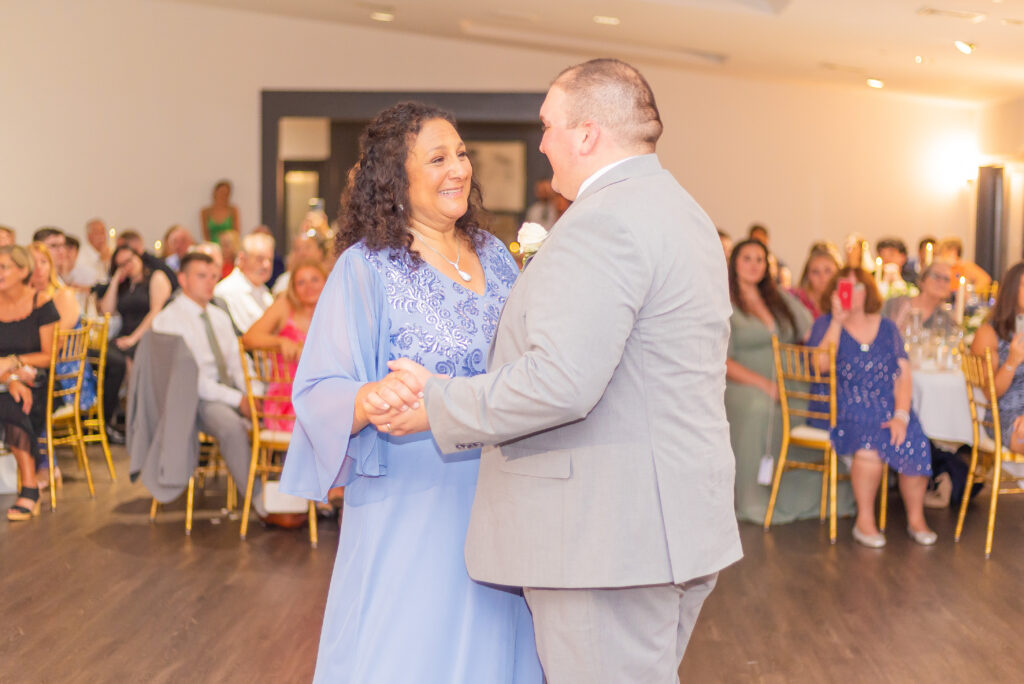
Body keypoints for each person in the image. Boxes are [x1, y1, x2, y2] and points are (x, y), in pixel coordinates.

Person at [362, 60, 743, 682]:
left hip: (606, 539)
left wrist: (440, 400)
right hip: (667, 524)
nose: (541, 143)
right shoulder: (680, 209)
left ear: (587, 134)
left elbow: (561, 382)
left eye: (547, 125)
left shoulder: (604, 222)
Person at [279, 102, 542, 683]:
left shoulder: (498, 258)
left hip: (499, 485)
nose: (459, 169)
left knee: (495, 642)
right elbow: (320, 386)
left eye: (463, 154)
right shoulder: (365, 268)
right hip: (413, 491)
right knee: (409, 644)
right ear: (396, 177)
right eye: (439, 158)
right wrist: (366, 399)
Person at [807, 267, 935, 548]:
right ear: (834, 294)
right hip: (845, 404)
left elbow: (903, 375)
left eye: (857, 287)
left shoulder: (887, 327)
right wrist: (838, 323)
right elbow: (819, 367)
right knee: (869, 445)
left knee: (915, 442)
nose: (851, 294)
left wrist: (901, 415)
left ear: (868, 292)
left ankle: (916, 519)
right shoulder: (825, 324)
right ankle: (864, 521)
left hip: (888, 405)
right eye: (844, 288)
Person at [151, 252, 280, 522]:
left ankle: (292, 496)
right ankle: (258, 500)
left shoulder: (218, 316)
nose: (210, 283)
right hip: (188, 400)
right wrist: (238, 400)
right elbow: (191, 381)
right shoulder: (168, 320)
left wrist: (254, 394)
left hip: (224, 393)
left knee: (279, 411)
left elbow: (238, 363)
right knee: (232, 427)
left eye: (213, 277)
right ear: (182, 279)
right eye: (201, 276)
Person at [725, 238, 845, 524]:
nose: (754, 265)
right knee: (759, 409)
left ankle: (808, 494)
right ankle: (753, 500)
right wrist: (764, 385)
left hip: (792, 385)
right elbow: (722, 360)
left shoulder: (781, 298)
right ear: (734, 264)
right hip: (745, 386)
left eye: (760, 259)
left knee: (808, 414)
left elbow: (810, 338)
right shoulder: (724, 302)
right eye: (747, 258)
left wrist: (840, 323)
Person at [28, 242, 98, 486]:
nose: (37, 269)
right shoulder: (23, 299)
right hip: (40, 372)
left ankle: (46, 466)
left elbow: (53, 346)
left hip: (67, 381)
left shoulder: (63, 296)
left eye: (43, 262)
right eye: (32, 263)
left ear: (51, 266)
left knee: (31, 396)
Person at [0, 245, 59, 521]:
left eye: (3, 267)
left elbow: (48, 356)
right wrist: (10, 377)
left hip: (35, 381)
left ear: (23, 270)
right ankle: (29, 486)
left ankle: (29, 487)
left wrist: (13, 363)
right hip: (7, 382)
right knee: (10, 398)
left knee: (13, 401)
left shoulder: (41, 303)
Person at [97, 245, 173, 443]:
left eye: (129, 261)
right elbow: (106, 310)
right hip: (124, 337)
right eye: (121, 265)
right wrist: (115, 279)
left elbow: (156, 312)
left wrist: (134, 338)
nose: (127, 266)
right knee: (111, 361)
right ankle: (112, 420)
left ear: (139, 257)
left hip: (148, 336)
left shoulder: (156, 278)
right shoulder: (125, 285)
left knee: (130, 366)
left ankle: (138, 425)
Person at [241, 260, 327, 431]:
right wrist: (280, 342)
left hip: (324, 397)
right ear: (293, 288)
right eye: (301, 282)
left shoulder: (335, 310)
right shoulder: (284, 306)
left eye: (315, 280)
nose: (309, 286)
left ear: (326, 281)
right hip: (286, 401)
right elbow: (249, 338)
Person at [970, 262, 1024, 452]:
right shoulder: (989, 333)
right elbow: (989, 392)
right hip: (1004, 415)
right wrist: (1012, 361)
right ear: (1011, 291)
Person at [213, 232, 275, 333]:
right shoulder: (227, 291)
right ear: (242, 258)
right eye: (260, 259)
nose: (266, 265)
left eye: (270, 260)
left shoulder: (264, 291)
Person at [881, 260, 955, 331]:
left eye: (946, 279)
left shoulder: (945, 319)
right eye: (936, 276)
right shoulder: (895, 304)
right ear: (923, 280)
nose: (941, 282)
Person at [791, 241, 842, 318]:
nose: (822, 277)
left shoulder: (846, 300)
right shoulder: (795, 299)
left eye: (827, 271)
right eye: (815, 272)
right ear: (807, 275)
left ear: (838, 273)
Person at [271, 230, 329, 296]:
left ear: (320, 252)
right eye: (297, 249)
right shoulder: (284, 281)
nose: (302, 253)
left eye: (307, 247)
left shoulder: (332, 277)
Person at [200, 180, 240, 244]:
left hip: (229, 247)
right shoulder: (205, 212)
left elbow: (236, 233)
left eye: (226, 193)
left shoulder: (233, 210)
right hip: (212, 246)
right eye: (221, 192)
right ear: (215, 192)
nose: (223, 196)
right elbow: (205, 234)